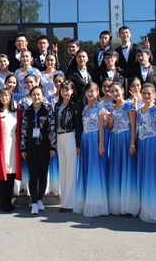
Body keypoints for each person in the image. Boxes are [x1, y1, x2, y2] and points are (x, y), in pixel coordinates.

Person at [73, 82, 108, 217]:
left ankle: (96, 204)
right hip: (85, 139)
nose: (90, 93)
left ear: (98, 92)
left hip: (95, 139)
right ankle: (86, 200)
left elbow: (102, 128)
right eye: (88, 91)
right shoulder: (85, 108)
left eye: (92, 91)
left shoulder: (100, 107)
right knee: (86, 169)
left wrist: (101, 144)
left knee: (95, 170)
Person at [21, 86, 56, 215]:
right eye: (34, 95)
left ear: (42, 95)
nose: (36, 97)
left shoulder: (48, 110)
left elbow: (52, 128)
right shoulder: (27, 111)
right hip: (31, 146)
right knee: (33, 175)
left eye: (38, 94)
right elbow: (24, 130)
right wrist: (23, 147)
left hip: (44, 146)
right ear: (30, 96)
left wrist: (52, 146)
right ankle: (34, 202)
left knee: (43, 174)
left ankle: (40, 199)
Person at [0, 88, 23, 213]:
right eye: (2, 95)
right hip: (1, 147)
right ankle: (3, 202)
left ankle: (9, 200)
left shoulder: (18, 113)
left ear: (11, 97)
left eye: (6, 95)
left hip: (14, 147)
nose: (4, 98)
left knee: (11, 174)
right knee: (1, 175)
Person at [107, 82, 139, 216]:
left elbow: (133, 126)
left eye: (117, 90)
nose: (115, 93)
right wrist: (110, 119)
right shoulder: (111, 107)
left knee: (127, 169)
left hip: (126, 138)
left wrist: (132, 144)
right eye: (112, 91)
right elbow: (109, 128)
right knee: (117, 169)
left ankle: (128, 206)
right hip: (115, 139)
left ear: (122, 90)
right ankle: (117, 205)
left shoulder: (129, 106)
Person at [136, 83, 156, 223]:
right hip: (141, 143)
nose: (146, 96)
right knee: (143, 173)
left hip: (153, 142)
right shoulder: (139, 111)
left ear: (155, 95)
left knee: (152, 174)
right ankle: (143, 206)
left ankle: (154, 207)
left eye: (149, 93)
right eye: (144, 93)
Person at [54, 81, 82, 212]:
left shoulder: (75, 106)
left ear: (72, 91)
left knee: (71, 170)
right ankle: (64, 201)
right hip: (59, 137)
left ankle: (70, 203)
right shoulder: (57, 105)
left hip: (70, 136)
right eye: (63, 90)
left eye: (67, 90)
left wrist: (78, 144)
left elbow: (78, 126)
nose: (65, 92)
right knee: (63, 169)